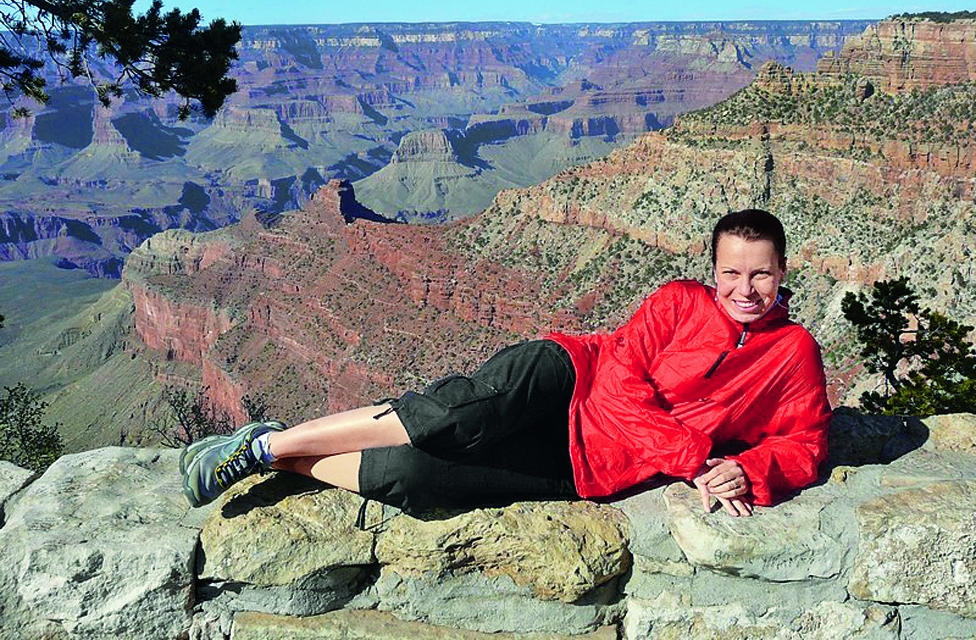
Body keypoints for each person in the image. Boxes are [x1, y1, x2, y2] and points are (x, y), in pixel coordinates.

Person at [180, 209, 831, 518]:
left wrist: (746, 470)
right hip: (571, 378)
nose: (746, 290)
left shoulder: (794, 354)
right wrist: (695, 460)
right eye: (732, 274)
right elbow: (619, 390)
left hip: (591, 464)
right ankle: (267, 450)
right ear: (713, 273)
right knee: (458, 415)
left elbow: (806, 444)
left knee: (420, 481)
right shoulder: (675, 304)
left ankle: (266, 449)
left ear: (782, 273)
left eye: (761, 275)